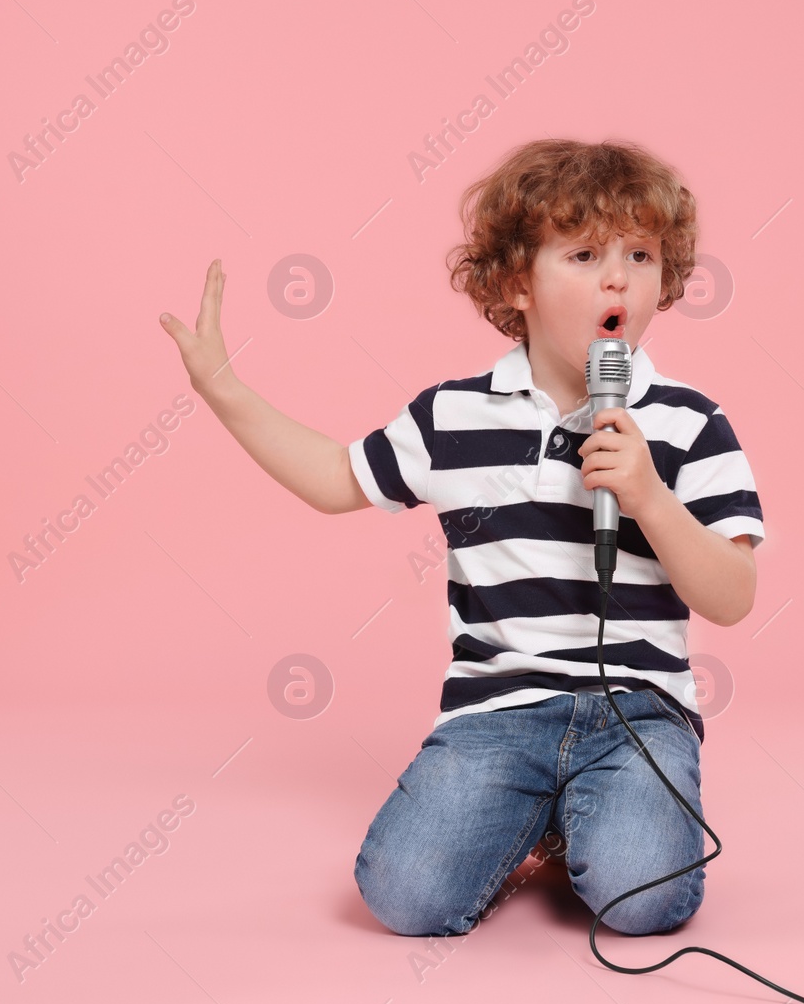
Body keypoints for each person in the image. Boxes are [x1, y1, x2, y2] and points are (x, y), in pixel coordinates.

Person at [160, 138, 765, 937]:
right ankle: (540, 814)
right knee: (407, 896)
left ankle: (579, 819)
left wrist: (650, 496)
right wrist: (224, 389)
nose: (618, 276)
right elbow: (335, 478)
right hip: (499, 711)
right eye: (584, 254)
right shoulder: (454, 416)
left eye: (642, 254)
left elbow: (733, 593)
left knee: (643, 900)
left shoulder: (690, 420)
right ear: (517, 281)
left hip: (638, 715)